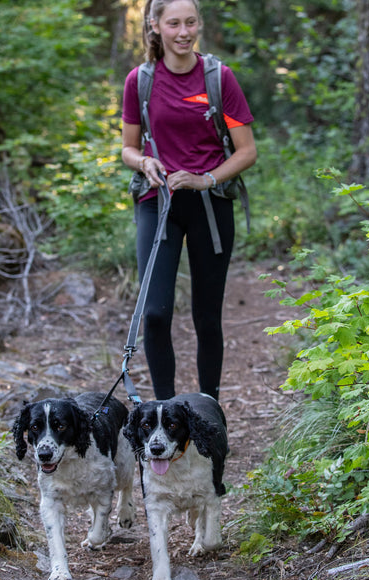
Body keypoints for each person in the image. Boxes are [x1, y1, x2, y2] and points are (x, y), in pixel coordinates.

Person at [121, 0, 257, 402]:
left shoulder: (219, 78)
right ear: (155, 26)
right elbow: (127, 148)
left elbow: (246, 150)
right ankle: (163, 414)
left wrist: (205, 179)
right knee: (156, 313)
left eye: (191, 22)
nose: (184, 32)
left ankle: (206, 410)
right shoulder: (140, 80)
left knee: (206, 317)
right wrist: (144, 160)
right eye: (174, 23)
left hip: (209, 206)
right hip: (157, 203)